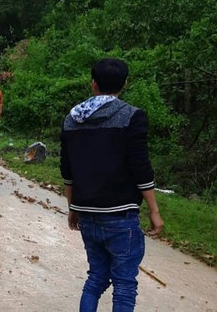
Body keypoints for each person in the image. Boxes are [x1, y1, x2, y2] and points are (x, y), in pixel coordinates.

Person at [60, 58, 164, 312]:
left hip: (87, 214)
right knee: (124, 286)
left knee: (96, 278)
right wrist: (154, 210)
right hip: (121, 216)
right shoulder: (132, 117)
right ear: (125, 83)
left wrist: (73, 207)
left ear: (93, 83)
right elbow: (141, 168)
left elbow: (67, 171)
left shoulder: (72, 120)